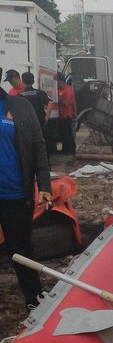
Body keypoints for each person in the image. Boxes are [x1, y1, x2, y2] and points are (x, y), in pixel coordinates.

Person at [0, 85, 53, 311]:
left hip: (14, 194)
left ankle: (34, 300)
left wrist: (44, 184)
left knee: (21, 250)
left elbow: (37, 146)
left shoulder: (20, 106)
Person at [53, 73, 77, 155]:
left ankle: (70, 150)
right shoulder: (58, 90)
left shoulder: (68, 90)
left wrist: (57, 99)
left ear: (61, 81)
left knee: (67, 133)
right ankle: (65, 149)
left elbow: (66, 103)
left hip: (66, 115)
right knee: (63, 133)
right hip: (59, 114)